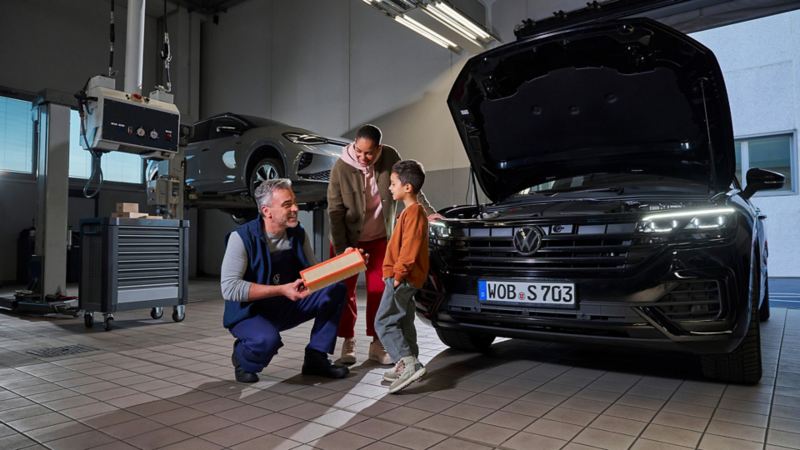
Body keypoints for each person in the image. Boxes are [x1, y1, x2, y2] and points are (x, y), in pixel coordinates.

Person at [327, 124, 440, 365]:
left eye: (369, 153)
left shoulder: (390, 156)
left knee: (380, 291)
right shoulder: (341, 166)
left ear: (378, 149)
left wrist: (429, 213)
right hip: (347, 239)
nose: (363, 157)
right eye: (359, 151)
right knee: (343, 292)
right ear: (354, 144)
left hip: (379, 238)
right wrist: (343, 249)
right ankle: (348, 341)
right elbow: (335, 211)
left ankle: (378, 344)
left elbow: (412, 188)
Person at [221, 179, 350, 383]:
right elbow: (230, 289)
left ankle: (316, 357)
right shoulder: (242, 238)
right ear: (266, 211)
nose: (296, 209)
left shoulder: (298, 234)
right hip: (249, 312)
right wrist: (281, 289)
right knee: (266, 340)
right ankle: (242, 357)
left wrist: (349, 261)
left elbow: (315, 276)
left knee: (334, 290)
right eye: (287, 205)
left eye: (295, 202)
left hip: (285, 304)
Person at [375, 160, 430, 394]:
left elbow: (410, 247)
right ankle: (410, 363)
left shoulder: (414, 212)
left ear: (407, 187)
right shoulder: (408, 213)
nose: (390, 188)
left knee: (384, 321)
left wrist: (397, 275)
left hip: (402, 278)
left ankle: (406, 363)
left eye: (393, 183)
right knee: (404, 321)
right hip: (403, 277)